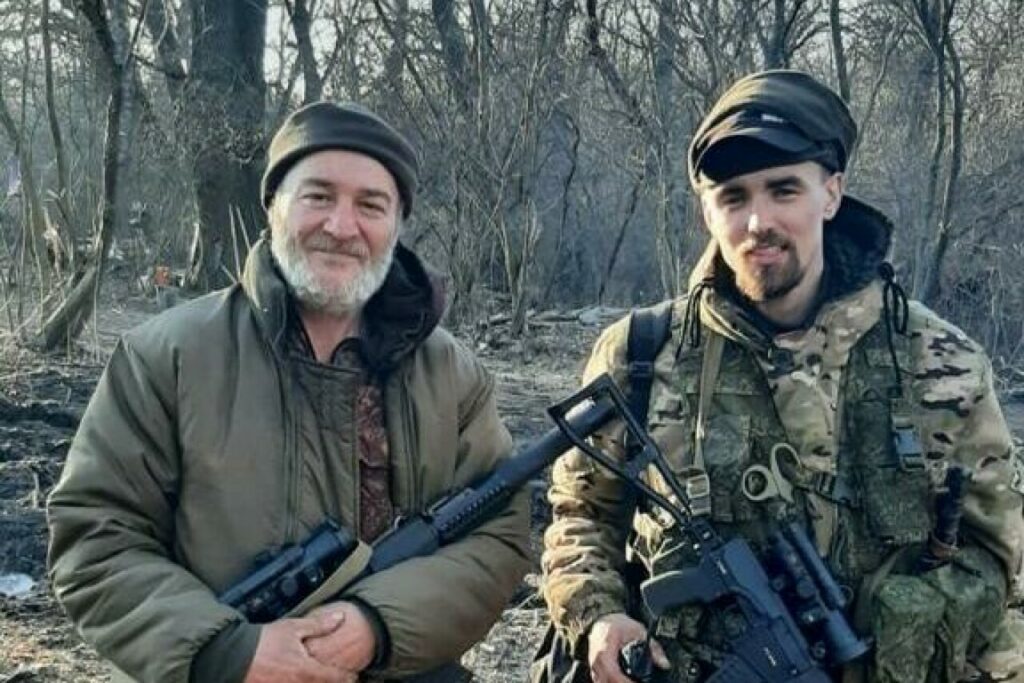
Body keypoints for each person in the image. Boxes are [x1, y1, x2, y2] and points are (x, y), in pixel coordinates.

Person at [540, 70, 1024, 683]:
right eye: (733, 197)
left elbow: (998, 559)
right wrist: (600, 614)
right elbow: (581, 514)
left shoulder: (939, 361)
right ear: (706, 211)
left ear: (831, 194)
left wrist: (917, 624)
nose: (757, 222)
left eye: (783, 190)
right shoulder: (641, 355)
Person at [47, 102, 530, 683]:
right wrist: (230, 652)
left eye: (370, 205)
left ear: (397, 224)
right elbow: (95, 535)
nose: (341, 227)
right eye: (317, 196)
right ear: (273, 206)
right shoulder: (165, 357)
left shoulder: (453, 375)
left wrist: (374, 626)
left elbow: (498, 536)